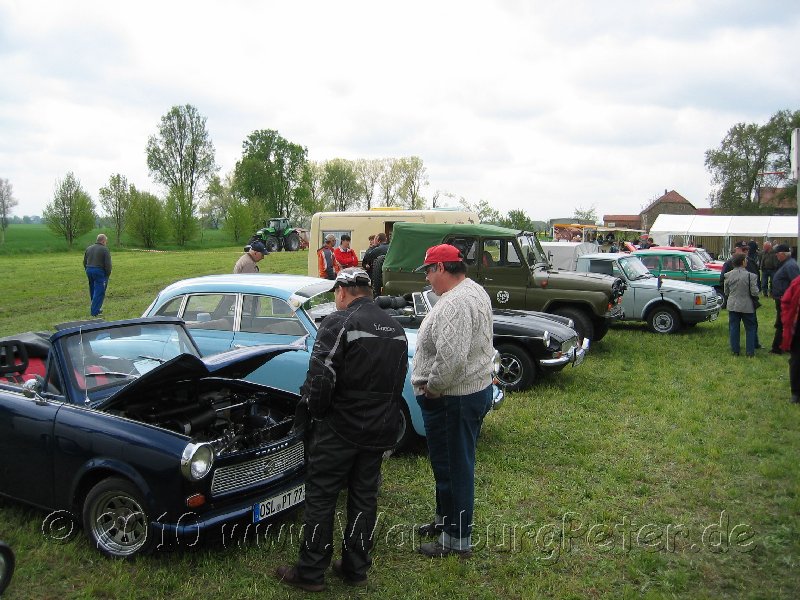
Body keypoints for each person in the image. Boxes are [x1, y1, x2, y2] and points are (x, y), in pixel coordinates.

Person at [274, 267, 408, 591]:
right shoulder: (396, 329)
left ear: (343, 291)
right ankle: (355, 568)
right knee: (365, 497)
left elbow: (320, 379)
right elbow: (397, 381)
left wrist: (317, 416)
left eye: (336, 293)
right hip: (380, 429)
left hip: (340, 428)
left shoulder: (339, 321)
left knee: (321, 497)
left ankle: (310, 572)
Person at [411, 244, 495, 558]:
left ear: (442, 268)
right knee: (447, 464)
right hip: (470, 391)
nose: (429, 279)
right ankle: (444, 521)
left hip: (453, 398)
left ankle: (456, 540)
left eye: (429, 271)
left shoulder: (456, 304)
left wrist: (433, 389)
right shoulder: (474, 291)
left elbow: (451, 359)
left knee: (456, 468)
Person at [724, 253, 759, 357]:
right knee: (751, 328)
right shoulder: (751, 276)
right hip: (747, 305)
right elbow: (754, 292)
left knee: (734, 327)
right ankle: (750, 351)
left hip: (732, 304)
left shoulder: (728, 275)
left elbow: (726, 291)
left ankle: (735, 350)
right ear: (743, 262)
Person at [770, 244, 800, 354]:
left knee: (782, 323)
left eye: (777, 254)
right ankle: (783, 345)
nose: (776, 256)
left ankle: (778, 348)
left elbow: (796, 284)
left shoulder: (790, 266)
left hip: (785, 299)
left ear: (783, 254)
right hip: (781, 298)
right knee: (782, 323)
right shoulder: (786, 264)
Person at [779, 275, 800, 403]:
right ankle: (796, 392)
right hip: (797, 329)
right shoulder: (797, 282)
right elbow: (786, 302)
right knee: (796, 361)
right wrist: (787, 319)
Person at [83, 233, 112, 317]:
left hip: (89, 270)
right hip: (99, 271)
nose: (106, 243)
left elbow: (84, 262)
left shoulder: (89, 248)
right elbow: (108, 265)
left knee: (92, 289)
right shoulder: (104, 249)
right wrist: (107, 274)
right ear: (103, 241)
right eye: (106, 241)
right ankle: (95, 311)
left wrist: (87, 269)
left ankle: (94, 307)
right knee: (99, 291)